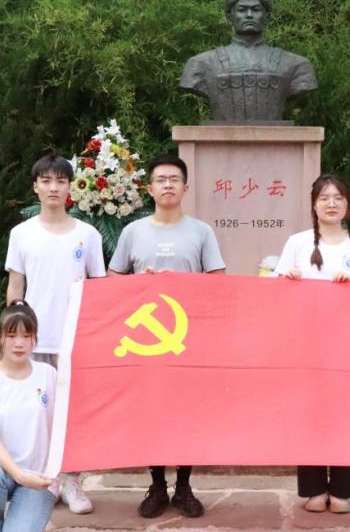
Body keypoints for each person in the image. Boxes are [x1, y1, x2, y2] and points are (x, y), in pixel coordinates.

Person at [108, 152, 226, 518]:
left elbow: (218, 281)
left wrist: (185, 285)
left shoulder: (201, 231)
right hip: (146, 340)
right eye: (161, 179)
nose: (168, 185)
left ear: (185, 187)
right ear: (150, 188)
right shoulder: (133, 232)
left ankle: (184, 485)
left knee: (188, 411)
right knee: (151, 411)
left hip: (188, 338)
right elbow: (113, 279)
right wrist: (141, 285)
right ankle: (157, 484)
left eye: (174, 179)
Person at [5, 151, 106, 514]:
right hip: (35, 339)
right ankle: (41, 481)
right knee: (37, 411)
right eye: (46, 181)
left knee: (74, 413)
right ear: (35, 187)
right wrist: (14, 336)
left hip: (76, 339)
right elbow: (15, 288)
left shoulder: (87, 235)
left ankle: (72, 481)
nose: (53, 187)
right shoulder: (21, 234)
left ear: (70, 188)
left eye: (60, 181)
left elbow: (99, 288)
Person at [274, 174, 350, 514]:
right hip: (305, 343)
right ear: (313, 204)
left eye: (338, 198)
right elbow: (275, 291)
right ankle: (314, 488)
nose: (331, 204)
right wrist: (288, 279)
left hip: (348, 345)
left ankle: (343, 489)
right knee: (310, 412)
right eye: (324, 198)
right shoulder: (298, 243)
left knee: (344, 414)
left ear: (348, 205)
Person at [0, 301, 58, 532]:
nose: (19, 343)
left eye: (26, 336)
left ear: (34, 338)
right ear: (0, 337)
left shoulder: (48, 375)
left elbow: (65, 425)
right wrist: (19, 475)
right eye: (11, 335)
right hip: (1, 473)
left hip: (38, 480)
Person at [180, 0, 317, 122]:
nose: (249, 15)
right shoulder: (200, 64)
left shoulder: (297, 66)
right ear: (229, 17)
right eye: (242, 10)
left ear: (268, 16)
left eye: (256, 10)